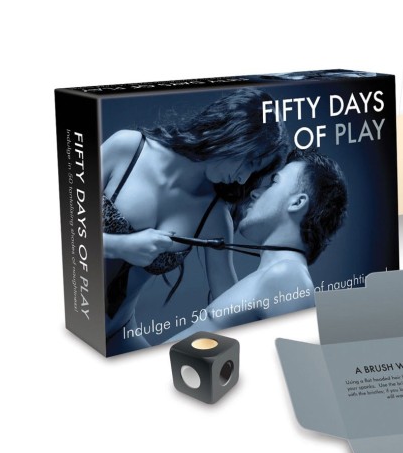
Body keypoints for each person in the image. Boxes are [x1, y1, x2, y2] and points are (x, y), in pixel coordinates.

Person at [102, 88, 289, 352]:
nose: (244, 179)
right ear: (233, 135)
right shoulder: (128, 148)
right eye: (250, 162)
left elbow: (228, 307)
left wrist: (275, 283)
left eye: (254, 171)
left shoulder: (214, 216)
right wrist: (121, 246)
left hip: (119, 335)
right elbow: (62, 228)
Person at [173, 149, 348, 334]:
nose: (255, 192)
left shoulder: (287, 276)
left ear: (297, 203)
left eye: (273, 182)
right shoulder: (272, 278)